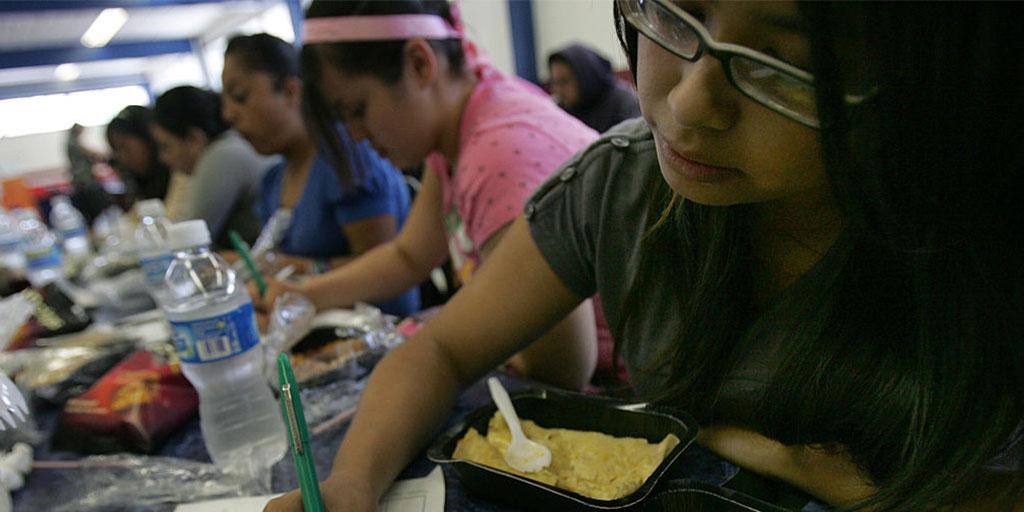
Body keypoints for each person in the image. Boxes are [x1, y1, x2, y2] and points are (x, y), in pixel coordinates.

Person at [265, 1, 1024, 511]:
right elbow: (445, 347)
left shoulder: (977, 241)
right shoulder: (625, 184)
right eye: (671, 14)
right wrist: (351, 485)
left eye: (783, 60)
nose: (692, 102)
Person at [254, 0, 611, 390]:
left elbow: (563, 368)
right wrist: (303, 296)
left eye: (358, 109)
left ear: (420, 64)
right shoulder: (462, 125)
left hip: (620, 391)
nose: (356, 135)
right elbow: (409, 256)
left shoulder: (498, 153)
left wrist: (439, 337)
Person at [221, 33, 418, 317]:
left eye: (240, 97)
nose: (228, 114)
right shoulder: (272, 180)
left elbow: (386, 270)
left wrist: (295, 270)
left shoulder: (346, 157)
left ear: (291, 91)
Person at [151, 86, 276, 249]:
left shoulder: (221, 156)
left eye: (166, 147)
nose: (163, 158)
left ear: (193, 138)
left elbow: (189, 243)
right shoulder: (227, 146)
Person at [547, 42, 641, 133]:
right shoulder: (561, 110)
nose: (558, 90)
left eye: (564, 81)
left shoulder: (625, 102)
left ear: (584, 78)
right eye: (554, 82)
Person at [105, 105, 172, 206]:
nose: (122, 157)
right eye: (116, 150)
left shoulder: (178, 174)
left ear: (149, 139)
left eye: (125, 147)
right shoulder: (138, 181)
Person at [65, 123, 110, 222]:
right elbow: (92, 152)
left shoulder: (69, 142)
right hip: (84, 181)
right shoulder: (74, 143)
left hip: (80, 181)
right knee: (95, 210)